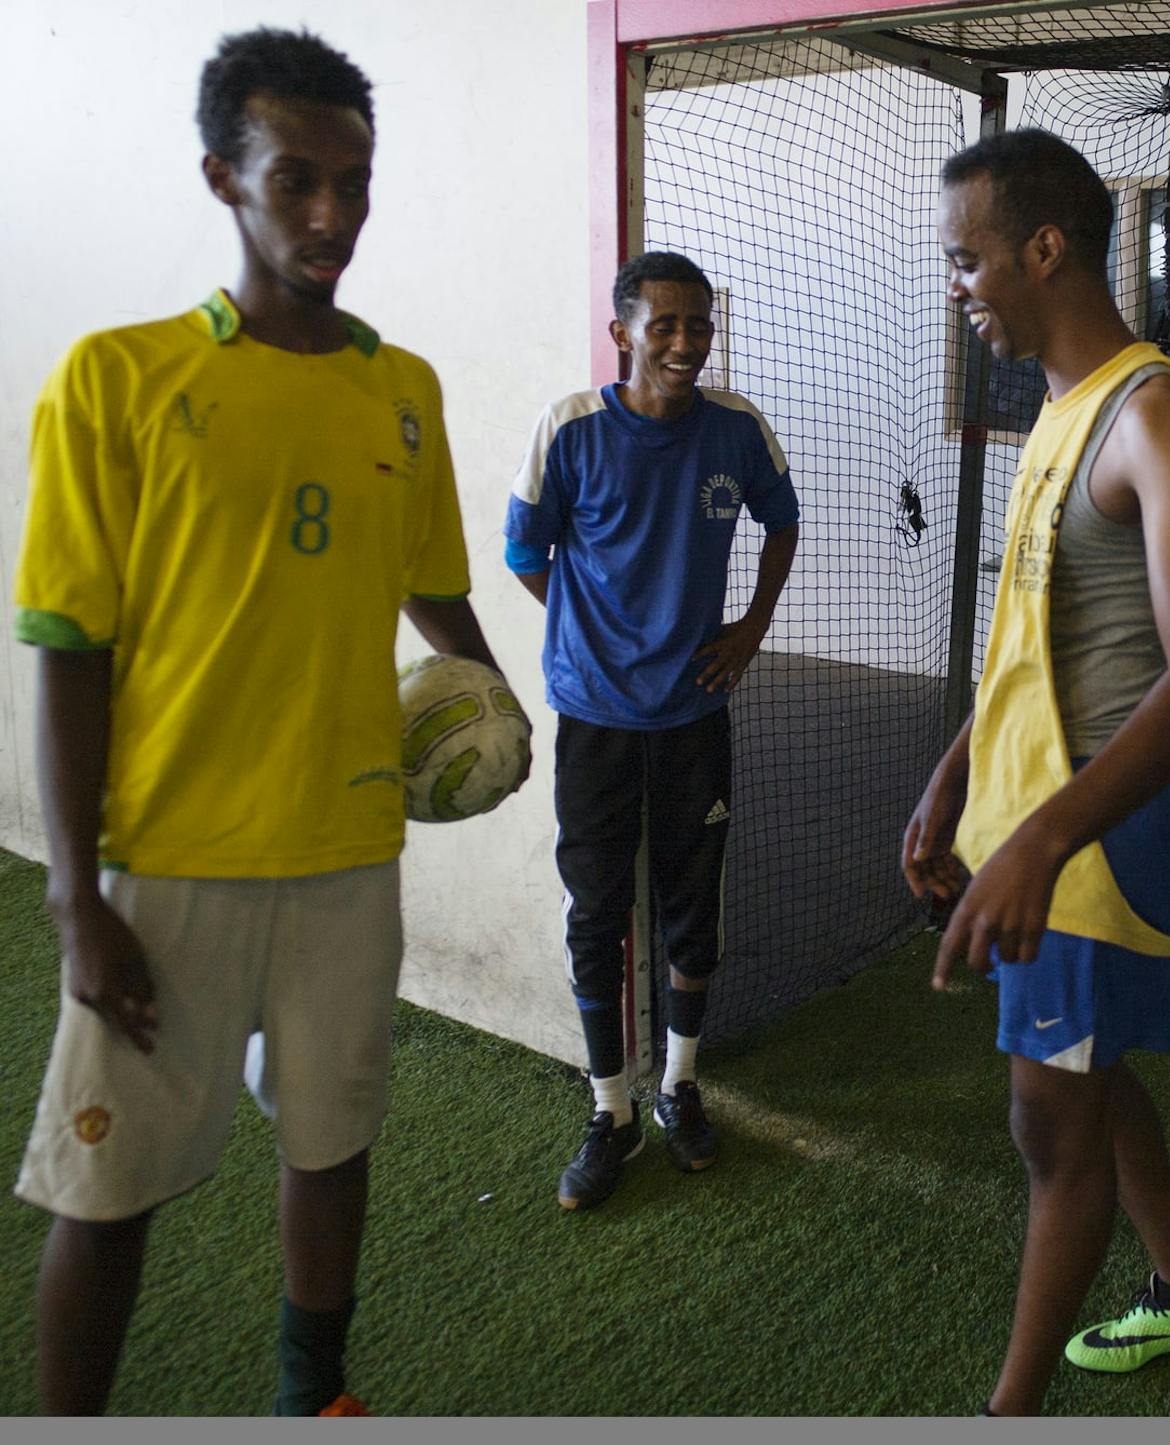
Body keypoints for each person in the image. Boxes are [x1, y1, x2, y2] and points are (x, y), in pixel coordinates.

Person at [12, 27, 515, 1415]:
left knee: (330, 1142)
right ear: (222, 179)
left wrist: (496, 703)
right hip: (172, 862)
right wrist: (73, 891)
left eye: (354, 182)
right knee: (109, 1189)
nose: (330, 216)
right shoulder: (118, 381)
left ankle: (314, 1395)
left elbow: (434, 593)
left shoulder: (399, 393)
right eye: (294, 179)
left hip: (351, 849)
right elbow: (69, 649)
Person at [904, 129, 1170, 1416]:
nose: (961, 286)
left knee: (1052, 1132)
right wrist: (955, 783)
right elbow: (1029, 646)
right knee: (1088, 1080)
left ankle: (1009, 1409)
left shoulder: (1150, 412)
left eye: (967, 259)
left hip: (1100, 836)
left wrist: (1042, 839)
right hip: (1043, 819)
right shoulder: (1056, 405)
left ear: (1045, 248)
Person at [504, 250, 801, 1211]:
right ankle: (610, 1110)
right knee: (595, 908)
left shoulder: (737, 429)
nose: (684, 342)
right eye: (664, 324)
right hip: (592, 718)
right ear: (622, 331)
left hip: (693, 717)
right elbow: (523, 551)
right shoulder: (571, 427)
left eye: (700, 324)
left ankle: (677, 1085)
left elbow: (783, 522)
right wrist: (590, 638)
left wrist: (750, 629)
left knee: (691, 902)